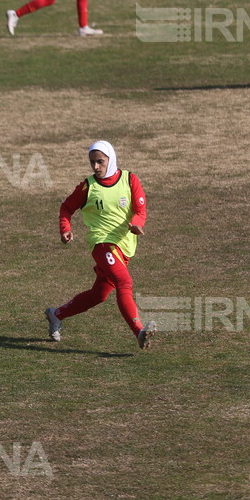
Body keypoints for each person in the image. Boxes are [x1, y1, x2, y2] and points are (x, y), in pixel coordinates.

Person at [46, 141, 157, 349]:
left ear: (110, 159)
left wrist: (136, 224)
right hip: (101, 243)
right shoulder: (88, 186)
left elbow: (140, 210)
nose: (96, 167)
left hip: (123, 246)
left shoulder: (129, 179)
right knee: (124, 282)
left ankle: (56, 314)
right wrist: (65, 229)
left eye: (100, 162)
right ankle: (139, 332)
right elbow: (66, 207)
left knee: (100, 294)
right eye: (92, 162)